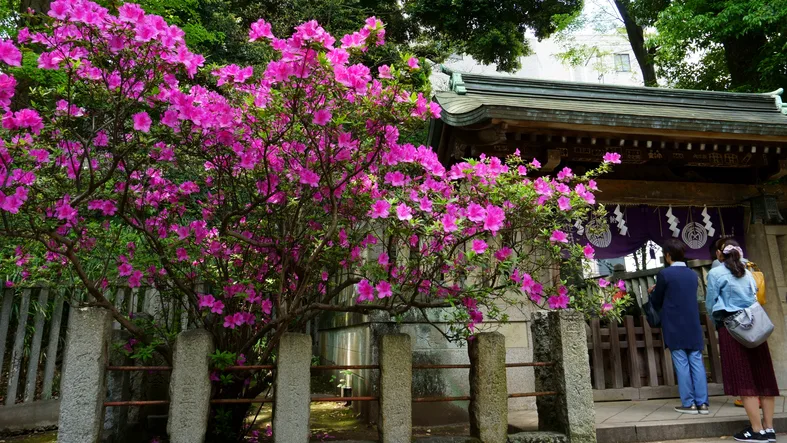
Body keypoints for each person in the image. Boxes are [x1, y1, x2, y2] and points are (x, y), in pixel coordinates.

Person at [706, 240, 778, 442]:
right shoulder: (748, 271)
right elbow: (756, 293)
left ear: (720, 253)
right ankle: (769, 428)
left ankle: (756, 430)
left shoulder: (716, 273)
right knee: (764, 376)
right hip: (756, 326)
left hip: (732, 327)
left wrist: (715, 322)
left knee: (745, 379)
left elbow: (711, 303)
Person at [649, 239, 709, 414]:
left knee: (681, 362)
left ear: (668, 256)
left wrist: (652, 293)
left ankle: (689, 403)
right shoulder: (692, 275)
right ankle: (703, 403)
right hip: (692, 322)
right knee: (697, 361)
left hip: (674, 324)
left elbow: (657, 300)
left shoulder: (665, 275)